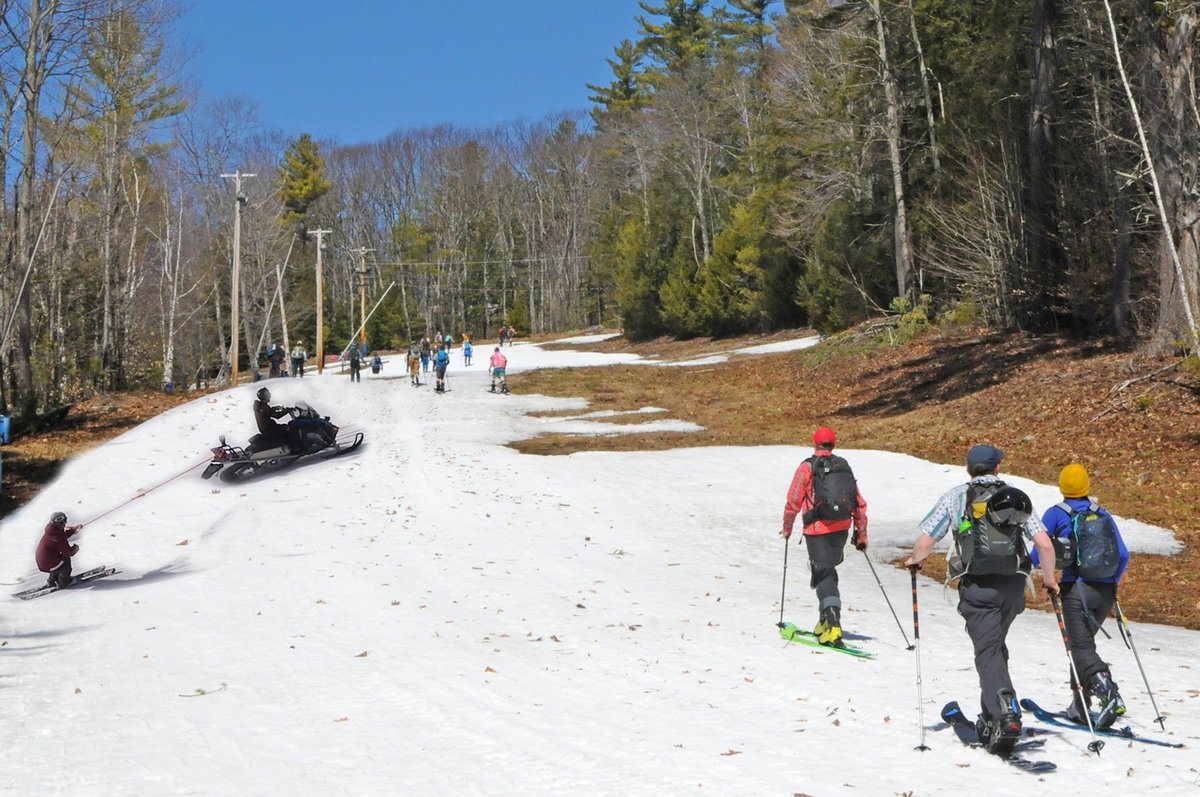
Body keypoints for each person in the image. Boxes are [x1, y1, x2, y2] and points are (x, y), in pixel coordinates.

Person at [904, 444, 1059, 753]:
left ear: (968, 469)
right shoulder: (1014, 496)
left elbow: (926, 540)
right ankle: (992, 714)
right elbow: (1044, 544)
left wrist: (914, 561)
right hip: (1013, 587)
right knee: (994, 648)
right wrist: (1050, 580)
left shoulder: (955, 497)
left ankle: (1006, 713)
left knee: (987, 651)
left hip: (978, 589)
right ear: (997, 469)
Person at [1036, 463, 1130, 729]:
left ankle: (1108, 690)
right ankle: (1079, 704)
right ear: (1086, 486)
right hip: (1105, 591)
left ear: (1062, 486)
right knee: (1082, 645)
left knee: (1079, 647)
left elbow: (1038, 551)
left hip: (1076, 589)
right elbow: (1123, 554)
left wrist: (1044, 576)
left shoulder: (1056, 515)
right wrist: (1113, 582)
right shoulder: (1103, 514)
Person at [779, 427, 868, 646]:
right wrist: (861, 533)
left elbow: (793, 499)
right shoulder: (842, 465)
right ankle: (823, 622)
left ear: (814, 443)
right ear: (833, 444)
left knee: (823, 573)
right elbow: (858, 502)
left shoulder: (807, 466)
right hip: (842, 528)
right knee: (827, 570)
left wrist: (787, 526)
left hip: (817, 529)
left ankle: (833, 623)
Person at [36, 511, 81, 589]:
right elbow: (68, 552)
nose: (65, 524)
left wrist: (73, 531)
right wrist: (75, 548)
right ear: (61, 522)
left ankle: (52, 581)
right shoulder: (57, 536)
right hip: (48, 563)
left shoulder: (52, 530)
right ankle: (63, 583)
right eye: (64, 522)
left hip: (44, 563)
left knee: (60, 561)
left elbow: (61, 536)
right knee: (65, 562)